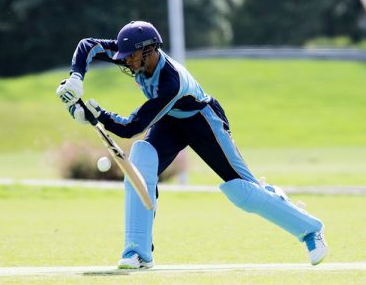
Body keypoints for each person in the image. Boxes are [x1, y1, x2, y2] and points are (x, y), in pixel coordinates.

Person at [56, 20, 327, 269]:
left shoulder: (170, 82)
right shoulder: (132, 53)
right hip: (170, 121)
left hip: (203, 121)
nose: (125, 62)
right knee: (141, 162)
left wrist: (98, 115)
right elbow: (87, 46)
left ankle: (310, 230)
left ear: (149, 51)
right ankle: (137, 252)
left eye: (131, 57)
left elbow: (132, 127)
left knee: (244, 192)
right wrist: (76, 78)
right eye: (123, 56)